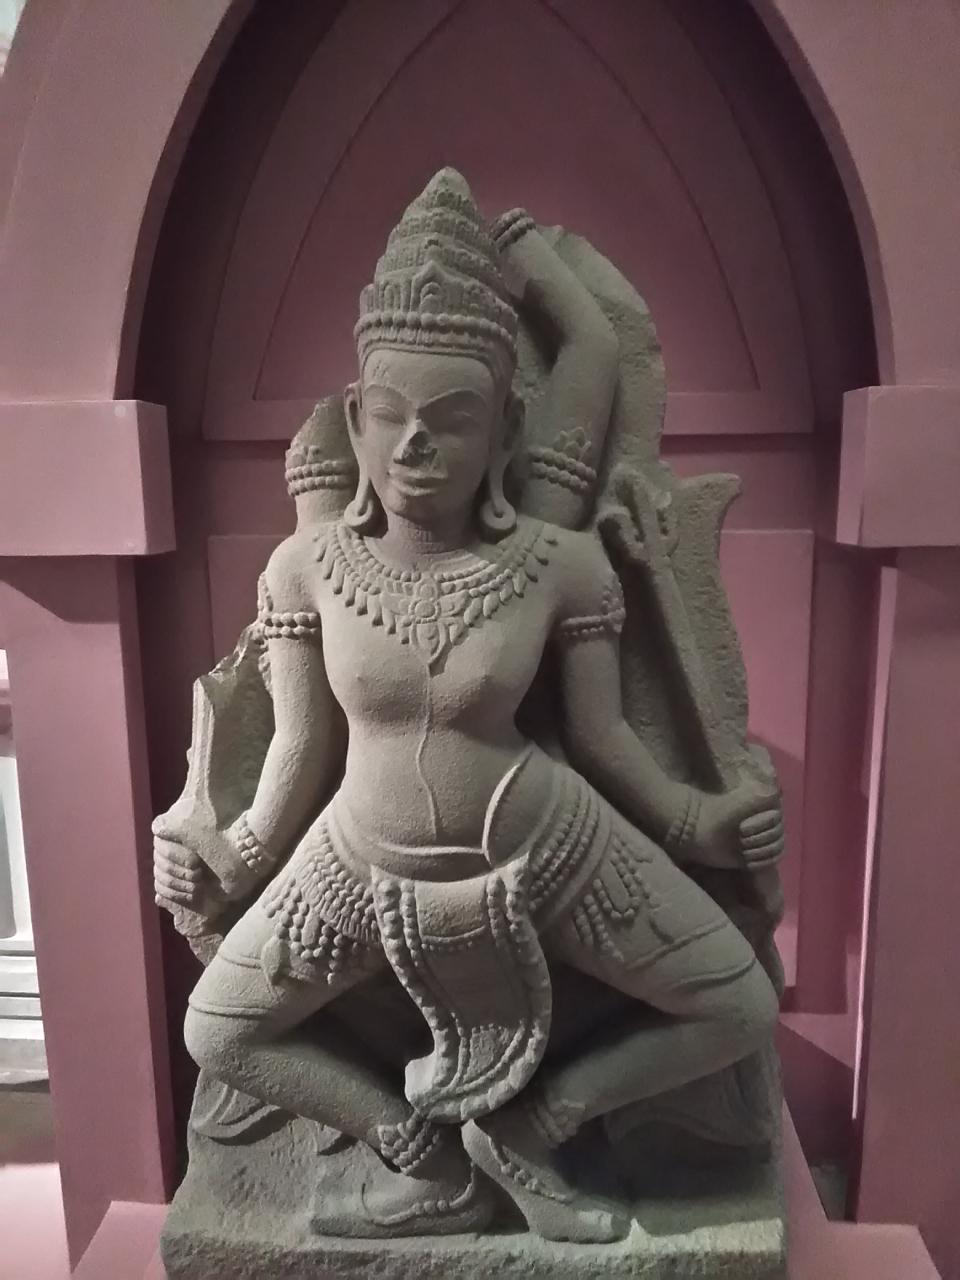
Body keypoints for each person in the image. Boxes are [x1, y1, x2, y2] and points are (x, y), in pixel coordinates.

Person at [154, 170, 782, 1243]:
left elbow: (603, 738)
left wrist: (698, 823)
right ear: (356, 422)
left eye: (453, 420)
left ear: (505, 430)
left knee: (737, 1003)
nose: (416, 445)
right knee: (218, 1029)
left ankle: (541, 1124)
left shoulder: (556, 562)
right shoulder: (308, 567)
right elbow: (298, 748)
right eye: (390, 417)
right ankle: (421, 1157)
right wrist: (227, 851)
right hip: (356, 861)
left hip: (546, 841)